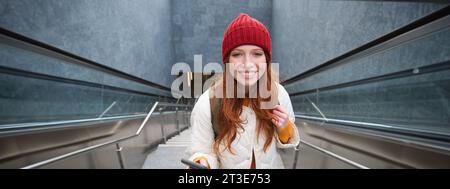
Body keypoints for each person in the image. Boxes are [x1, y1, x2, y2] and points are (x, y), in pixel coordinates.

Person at [186, 13, 300, 169]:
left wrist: (284, 128)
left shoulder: (279, 94)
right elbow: (201, 150)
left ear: (266, 60)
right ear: (227, 61)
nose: (247, 64)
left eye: (257, 54)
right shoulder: (208, 101)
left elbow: (285, 145)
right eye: (237, 54)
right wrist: (202, 161)